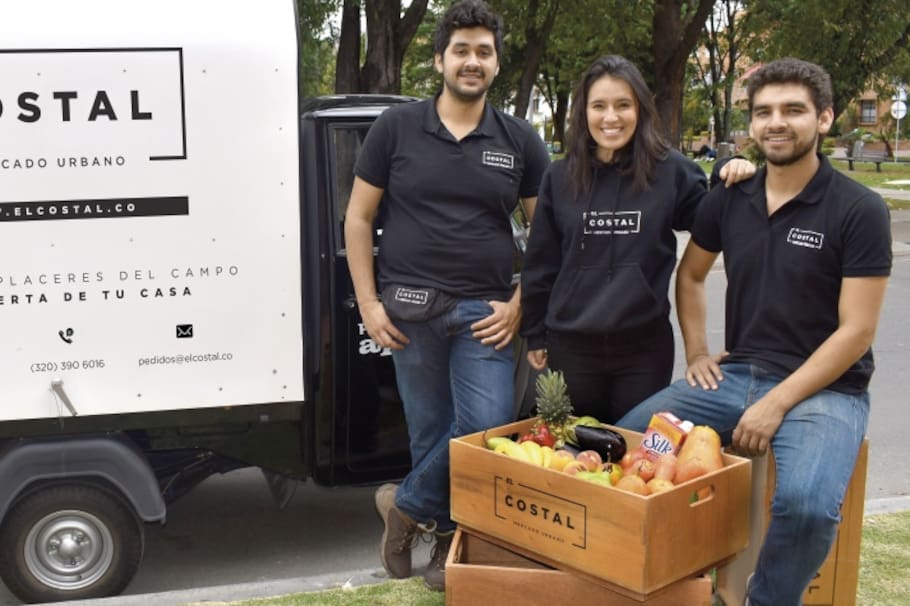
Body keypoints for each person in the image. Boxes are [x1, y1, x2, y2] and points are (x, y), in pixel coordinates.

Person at [616, 58, 892, 606]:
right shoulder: (731, 197)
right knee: (623, 445)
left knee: (808, 506)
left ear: (825, 118)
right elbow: (690, 275)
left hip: (824, 392)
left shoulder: (859, 209)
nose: (776, 122)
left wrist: (775, 405)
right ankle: (673, 588)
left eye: (794, 110)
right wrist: (696, 351)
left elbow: (856, 331)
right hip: (733, 376)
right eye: (764, 112)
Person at [343, 0, 550, 591]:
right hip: (408, 311)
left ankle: (404, 505)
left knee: (482, 430)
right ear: (439, 59)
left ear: (497, 64)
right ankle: (446, 547)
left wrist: (521, 302)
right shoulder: (397, 128)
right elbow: (358, 219)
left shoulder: (520, 140)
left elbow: (546, 234)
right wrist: (369, 303)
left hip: (485, 313)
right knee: (431, 435)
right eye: (461, 49)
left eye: (484, 51)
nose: (472, 60)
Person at [520, 55, 754, 423]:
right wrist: (534, 332)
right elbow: (541, 261)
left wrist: (729, 174)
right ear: (583, 112)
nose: (610, 117)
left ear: (640, 110)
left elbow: (714, 222)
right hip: (571, 346)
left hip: (643, 350)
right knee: (575, 456)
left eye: (622, 105)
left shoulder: (670, 171)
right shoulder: (560, 177)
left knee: (635, 458)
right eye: (599, 106)